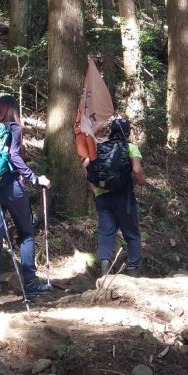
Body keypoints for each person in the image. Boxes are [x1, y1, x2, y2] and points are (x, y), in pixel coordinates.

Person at [0, 95, 53, 307]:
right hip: (12, 188)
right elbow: (14, 157)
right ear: (13, 110)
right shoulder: (12, 128)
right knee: (26, 233)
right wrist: (35, 178)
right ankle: (29, 282)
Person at [82, 116, 145, 277]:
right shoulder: (131, 147)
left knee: (106, 233)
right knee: (132, 234)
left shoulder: (101, 147)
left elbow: (85, 164)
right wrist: (142, 182)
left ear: (111, 131)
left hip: (103, 197)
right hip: (123, 197)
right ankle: (133, 271)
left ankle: (104, 270)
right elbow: (137, 170)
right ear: (128, 132)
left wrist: (94, 189)